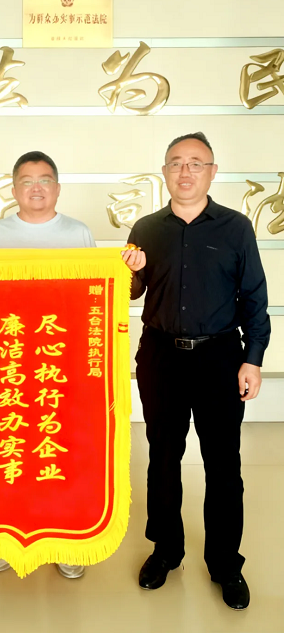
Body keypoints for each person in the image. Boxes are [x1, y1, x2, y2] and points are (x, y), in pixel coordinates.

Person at [122, 132, 270, 611]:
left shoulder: (235, 228)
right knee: (163, 457)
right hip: (161, 356)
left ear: (212, 171)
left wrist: (253, 358)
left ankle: (225, 562)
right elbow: (130, 292)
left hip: (220, 357)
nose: (185, 172)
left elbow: (255, 296)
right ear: (164, 171)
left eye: (196, 163)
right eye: (176, 163)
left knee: (223, 463)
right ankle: (166, 550)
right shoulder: (146, 228)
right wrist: (130, 272)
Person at [0, 150, 95, 578]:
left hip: (61, 363)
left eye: (45, 180)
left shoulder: (79, 233)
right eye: (27, 181)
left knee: (61, 453)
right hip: (12, 362)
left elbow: (93, 295)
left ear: (57, 188)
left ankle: (65, 540)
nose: (36, 188)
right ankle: (5, 536)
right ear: (13, 189)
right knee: (11, 449)